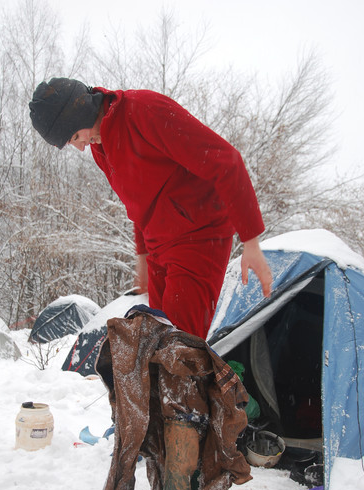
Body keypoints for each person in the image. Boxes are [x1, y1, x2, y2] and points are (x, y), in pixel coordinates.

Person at [29, 78, 272, 340]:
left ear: (83, 112)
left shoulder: (143, 110)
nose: (80, 146)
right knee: (155, 345)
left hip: (198, 235)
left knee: (181, 351)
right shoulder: (102, 147)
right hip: (158, 246)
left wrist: (251, 241)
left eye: (76, 136)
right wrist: (143, 256)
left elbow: (226, 160)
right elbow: (138, 201)